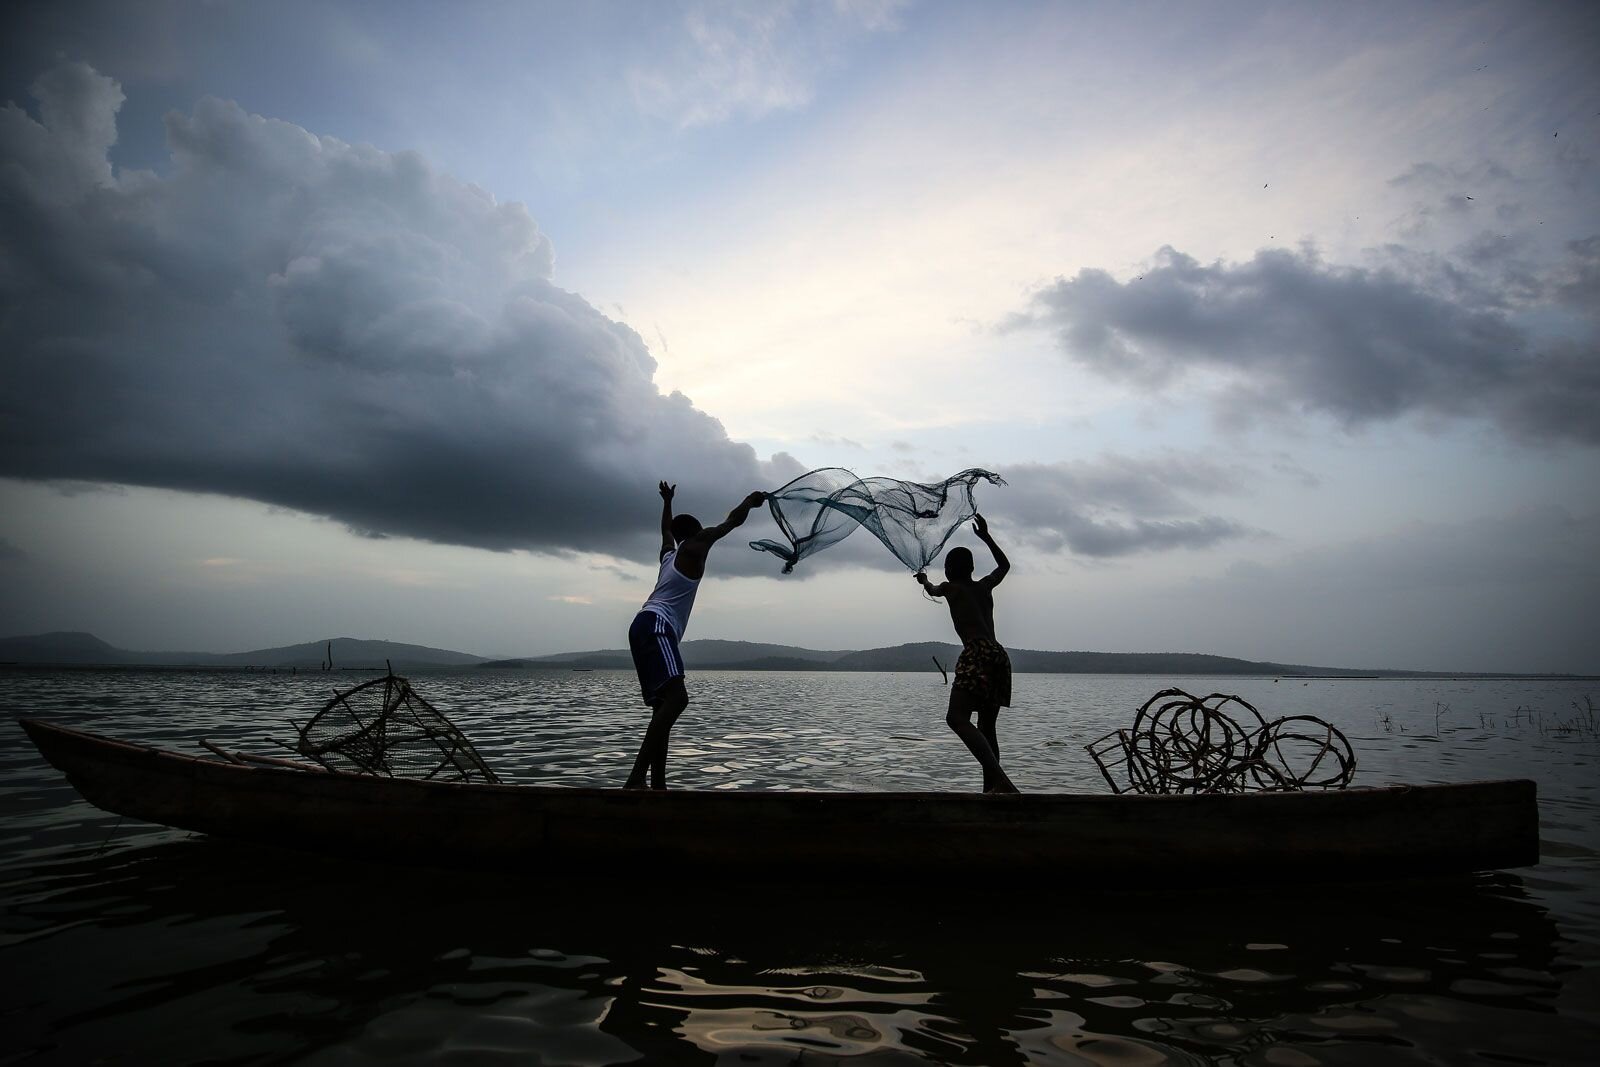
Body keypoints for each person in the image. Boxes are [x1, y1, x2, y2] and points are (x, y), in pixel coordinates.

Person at [625, 480, 767, 790]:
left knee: (662, 707)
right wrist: (749, 500)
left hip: (641, 626)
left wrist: (667, 501)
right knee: (678, 699)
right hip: (657, 625)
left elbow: (665, 530)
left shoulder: (668, 556)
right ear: (696, 532)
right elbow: (730, 523)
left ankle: (658, 785)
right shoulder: (695, 545)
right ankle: (636, 777)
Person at [914, 512, 1019, 793]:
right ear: (971, 568)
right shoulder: (984, 586)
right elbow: (1004, 566)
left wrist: (924, 581)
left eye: (946, 567)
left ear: (949, 569)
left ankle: (1001, 781)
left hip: (977, 654)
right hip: (998, 655)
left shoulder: (951, 588)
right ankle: (991, 789)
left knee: (956, 718)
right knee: (987, 727)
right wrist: (986, 537)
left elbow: (933, 589)